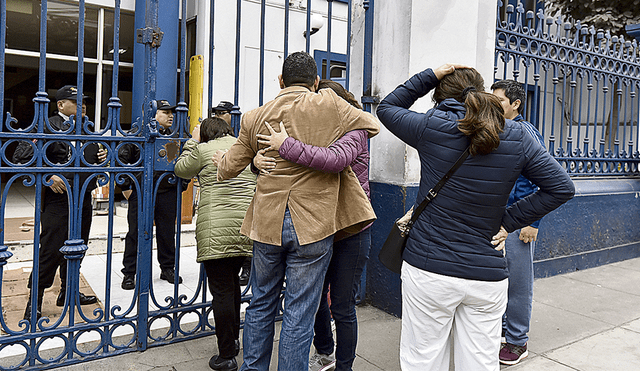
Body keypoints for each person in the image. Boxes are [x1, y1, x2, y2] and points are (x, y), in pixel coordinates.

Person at [376, 64, 575, 371]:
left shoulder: (431, 127)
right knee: (480, 363)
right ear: (480, 91)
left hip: (430, 269)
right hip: (486, 274)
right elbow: (561, 187)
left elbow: (388, 107)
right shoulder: (517, 135)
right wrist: (508, 221)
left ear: (441, 96)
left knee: (423, 359)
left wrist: (430, 75)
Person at [212, 51, 379, 371]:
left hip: (267, 222)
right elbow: (371, 124)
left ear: (280, 81)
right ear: (316, 82)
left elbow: (228, 170)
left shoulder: (254, 116)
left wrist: (227, 161)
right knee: (300, 311)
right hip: (313, 223)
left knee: (260, 304)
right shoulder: (329, 103)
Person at [253, 79, 371, 371]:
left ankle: (344, 366)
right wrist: (257, 161)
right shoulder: (320, 128)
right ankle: (325, 351)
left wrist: (287, 145)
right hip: (319, 223)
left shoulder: (353, 130)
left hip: (350, 229)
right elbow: (290, 165)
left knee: (341, 306)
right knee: (313, 300)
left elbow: (335, 159)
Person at [174, 117, 256, 371]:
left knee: (221, 291)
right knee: (233, 286)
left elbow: (181, 169)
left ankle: (227, 355)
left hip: (216, 230)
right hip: (246, 227)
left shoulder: (201, 148)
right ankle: (234, 339)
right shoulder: (245, 146)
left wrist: (191, 142)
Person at [14, 85, 100, 322]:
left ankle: (68, 292)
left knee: (78, 248)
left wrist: (102, 157)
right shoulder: (46, 125)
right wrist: (47, 177)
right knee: (51, 250)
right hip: (57, 201)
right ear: (60, 104)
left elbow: (93, 159)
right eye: (75, 101)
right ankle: (36, 302)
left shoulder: (88, 128)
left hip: (83, 198)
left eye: (84, 100)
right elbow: (20, 158)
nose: (82, 105)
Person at [490, 79, 545, 365]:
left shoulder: (526, 133)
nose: (493, 103)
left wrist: (531, 221)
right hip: (495, 220)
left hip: (518, 221)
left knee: (519, 284)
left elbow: (542, 180)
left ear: (515, 104)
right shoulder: (498, 130)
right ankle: (502, 332)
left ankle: (517, 341)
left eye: (499, 100)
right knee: (497, 279)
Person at [119, 100, 186, 290]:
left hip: (166, 192)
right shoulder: (137, 134)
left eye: (171, 112)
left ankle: (167, 268)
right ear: (154, 115)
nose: (171, 115)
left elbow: (178, 163)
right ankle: (129, 273)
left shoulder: (172, 137)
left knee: (166, 233)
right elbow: (122, 160)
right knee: (135, 233)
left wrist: (180, 186)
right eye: (166, 112)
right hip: (141, 192)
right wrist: (125, 187)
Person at [212, 100, 251, 286]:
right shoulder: (213, 135)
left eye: (222, 113)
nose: (219, 117)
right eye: (216, 114)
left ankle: (248, 267)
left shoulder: (244, 132)